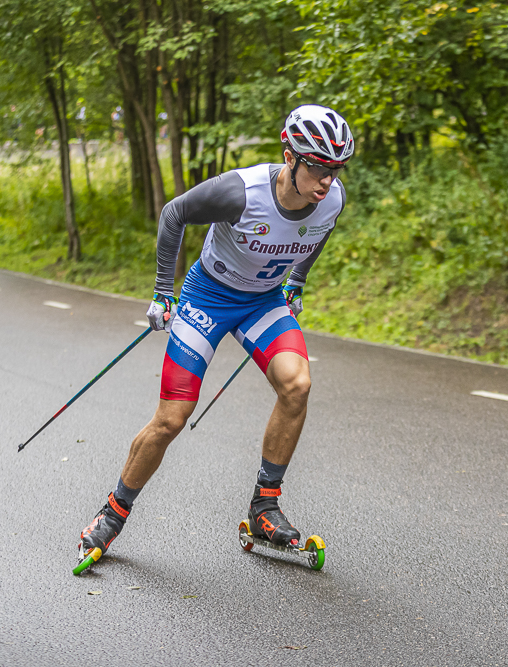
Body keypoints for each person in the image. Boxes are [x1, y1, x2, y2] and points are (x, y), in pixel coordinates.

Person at [78, 105, 354, 560]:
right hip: (208, 298)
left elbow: (318, 231)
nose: (327, 181)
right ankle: (113, 512)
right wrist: (162, 291)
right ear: (290, 157)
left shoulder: (332, 199)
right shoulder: (239, 192)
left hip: (261, 302)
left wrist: (297, 280)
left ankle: (265, 506)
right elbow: (173, 214)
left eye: (335, 170)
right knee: (172, 419)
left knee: (297, 384)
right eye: (318, 168)